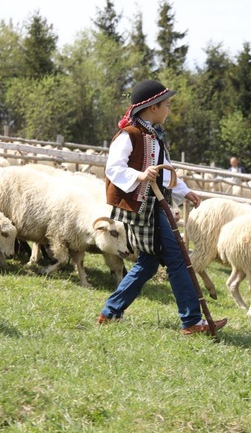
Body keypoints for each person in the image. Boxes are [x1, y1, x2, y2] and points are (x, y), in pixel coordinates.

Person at [98, 79, 228, 336]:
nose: (169, 109)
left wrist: (184, 191)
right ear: (152, 108)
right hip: (143, 207)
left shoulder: (154, 135)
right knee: (178, 259)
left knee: (148, 262)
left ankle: (110, 312)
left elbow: (165, 170)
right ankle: (191, 321)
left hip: (155, 203)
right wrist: (138, 175)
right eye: (166, 105)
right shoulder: (130, 134)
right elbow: (113, 168)